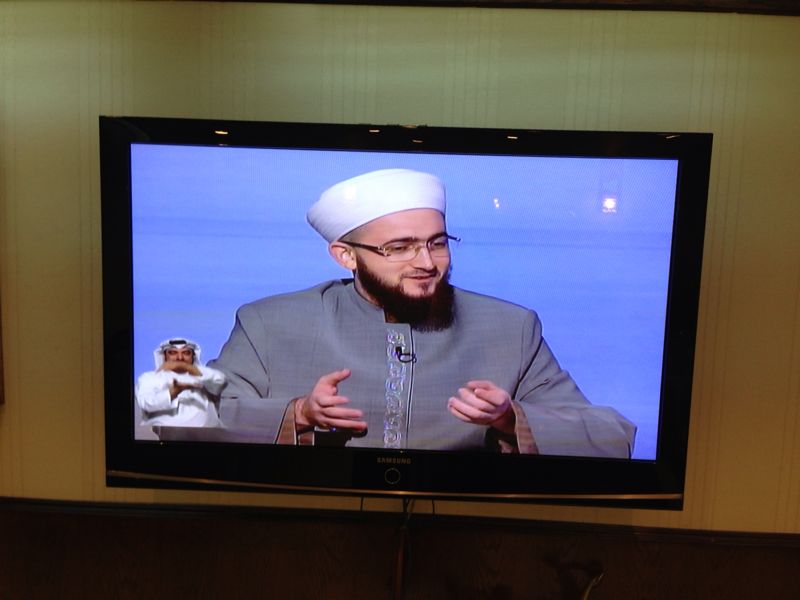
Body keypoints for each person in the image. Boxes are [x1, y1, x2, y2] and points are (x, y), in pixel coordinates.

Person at [210, 169, 636, 456]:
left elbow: (612, 438)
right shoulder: (269, 323)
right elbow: (188, 419)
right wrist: (300, 413)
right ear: (345, 256)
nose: (427, 263)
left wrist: (511, 419)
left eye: (437, 243)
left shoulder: (512, 328)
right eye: (400, 247)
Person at [136, 338, 226, 428]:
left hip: (209, 434)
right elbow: (146, 403)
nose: (180, 358)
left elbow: (220, 382)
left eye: (186, 353)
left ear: (193, 357)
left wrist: (187, 368)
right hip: (162, 435)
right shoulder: (150, 378)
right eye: (173, 353)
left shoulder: (205, 377)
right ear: (164, 356)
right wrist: (173, 392)